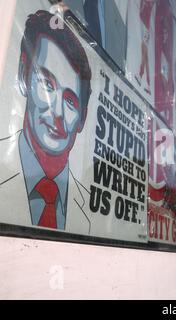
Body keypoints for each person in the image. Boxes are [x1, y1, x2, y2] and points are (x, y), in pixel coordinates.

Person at [0, 10, 92, 232]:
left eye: (70, 101)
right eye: (47, 84)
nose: (57, 112)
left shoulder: (88, 209)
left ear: (82, 119)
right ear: (23, 73)